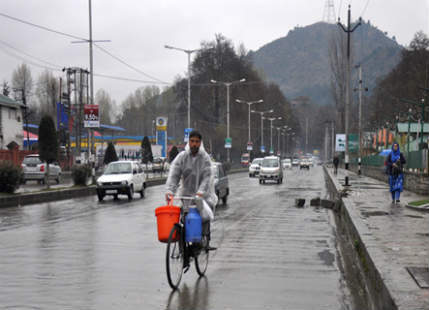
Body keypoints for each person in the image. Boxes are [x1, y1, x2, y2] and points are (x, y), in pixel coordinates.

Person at [165, 130, 217, 270]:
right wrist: (170, 191)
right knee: (181, 222)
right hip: (186, 195)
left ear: (200, 143)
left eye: (197, 141)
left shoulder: (205, 158)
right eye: (192, 141)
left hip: (202, 196)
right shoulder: (182, 157)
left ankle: (203, 241)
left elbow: (207, 177)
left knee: (203, 217)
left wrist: (200, 193)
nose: (194, 144)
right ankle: (184, 254)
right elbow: (174, 174)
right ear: (188, 142)